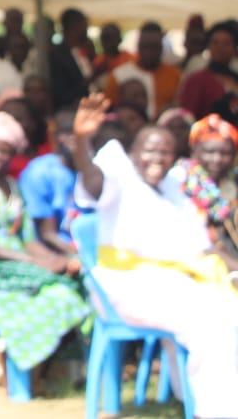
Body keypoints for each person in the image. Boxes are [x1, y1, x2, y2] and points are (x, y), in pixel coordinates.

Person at [71, 96, 238, 418]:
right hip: (129, 287)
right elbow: (92, 182)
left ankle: (208, 397)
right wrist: (82, 139)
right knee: (211, 324)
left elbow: (203, 250)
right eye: (149, 151)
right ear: (134, 152)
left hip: (177, 283)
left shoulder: (174, 188)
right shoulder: (119, 178)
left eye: (165, 152)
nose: (157, 159)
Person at [0, 112, 87, 374]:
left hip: (19, 257)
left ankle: (43, 364)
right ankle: (19, 360)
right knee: (36, 289)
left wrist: (51, 260)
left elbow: (28, 238)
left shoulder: (14, 187)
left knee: (63, 288)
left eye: (4, 152)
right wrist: (34, 261)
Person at [165, 114, 238, 253]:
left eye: (225, 153)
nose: (217, 159)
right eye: (209, 152)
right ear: (194, 150)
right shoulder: (179, 178)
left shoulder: (234, 180)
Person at [18, 110, 79, 253]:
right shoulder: (39, 172)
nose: (74, 140)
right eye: (68, 133)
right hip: (57, 255)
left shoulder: (90, 169)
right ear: (56, 137)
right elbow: (48, 235)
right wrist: (83, 259)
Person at [104, 22, 181, 118]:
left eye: (154, 46)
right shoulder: (118, 75)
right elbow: (110, 112)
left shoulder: (174, 75)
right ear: (138, 46)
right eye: (145, 46)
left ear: (161, 47)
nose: (149, 51)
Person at [177, 20, 238, 119]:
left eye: (226, 43)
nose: (220, 48)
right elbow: (188, 115)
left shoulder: (235, 78)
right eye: (215, 42)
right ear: (208, 46)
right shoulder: (197, 80)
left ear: (234, 47)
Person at [48, 8, 93, 111]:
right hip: (68, 110)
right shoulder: (58, 55)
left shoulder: (83, 51)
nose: (86, 29)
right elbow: (60, 91)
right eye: (84, 25)